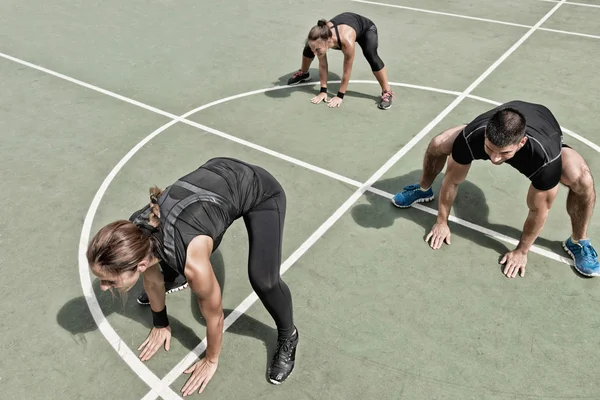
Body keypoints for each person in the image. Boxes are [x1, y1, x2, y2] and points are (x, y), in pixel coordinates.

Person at [86, 157, 299, 395]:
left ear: (140, 263)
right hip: (214, 182)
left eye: (109, 281)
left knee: (264, 281)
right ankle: (175, 275)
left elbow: (215, 318)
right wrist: (160, 323)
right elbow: (152, 278)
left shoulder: (194, 263)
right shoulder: (137, 228)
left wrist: (210, 359)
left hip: (260, 191)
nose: (104, 287)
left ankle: (288, 335)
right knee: (175, 254)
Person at [391, 100, 599, 278]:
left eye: (503, 153)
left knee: (582, 180)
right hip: (503, 123)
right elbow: (452, 180)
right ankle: (423, 189)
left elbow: (539, 210)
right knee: (439, 143)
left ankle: (578, 242)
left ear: (521, 143)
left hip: (546, 127)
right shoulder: (473, 136)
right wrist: (441, 221)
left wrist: (521, 251)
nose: (494, 158)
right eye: (489, 148)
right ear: (485, 136)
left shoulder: (544, 159)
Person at [287, 12, 394, 110]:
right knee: (309, 48)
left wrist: (340, 96)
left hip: (366, 29)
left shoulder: (346, 42)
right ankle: (304, 73)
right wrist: (323, 91)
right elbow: (323, 65)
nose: (315, 53)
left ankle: (387, 92)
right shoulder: (321, 36)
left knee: (371, 55)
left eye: (318, 49)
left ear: (328, 41)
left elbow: (347, 71)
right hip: (345, 25)